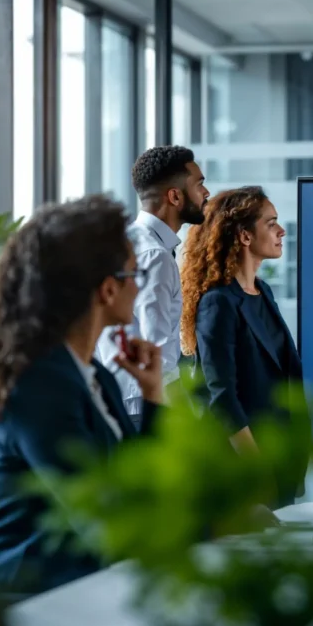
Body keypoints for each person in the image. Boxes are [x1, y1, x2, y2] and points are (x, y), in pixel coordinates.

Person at [0, 196, 165, 594]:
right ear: (107, 288)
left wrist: (153, 394)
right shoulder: (40, 383)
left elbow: (140, 480)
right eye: (136, 274)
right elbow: (103, 516)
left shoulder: (93, 373)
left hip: (72, 583)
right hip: (12, 595)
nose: (139, 287)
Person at [180, 187, 304, 507]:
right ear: (245, 236)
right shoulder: (218, 303)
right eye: (271, 223)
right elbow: (222, 396)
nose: (281, 231)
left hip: (280, 459)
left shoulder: (263, 292)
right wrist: (257, 468)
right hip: (248, 467)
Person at [96, 145, 209, 423]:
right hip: (147, 405)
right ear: (174, 196)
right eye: (199, 185)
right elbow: (157, 351)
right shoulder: (154, 256)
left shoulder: (132, 242)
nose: (206, 193)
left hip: (125, 399)